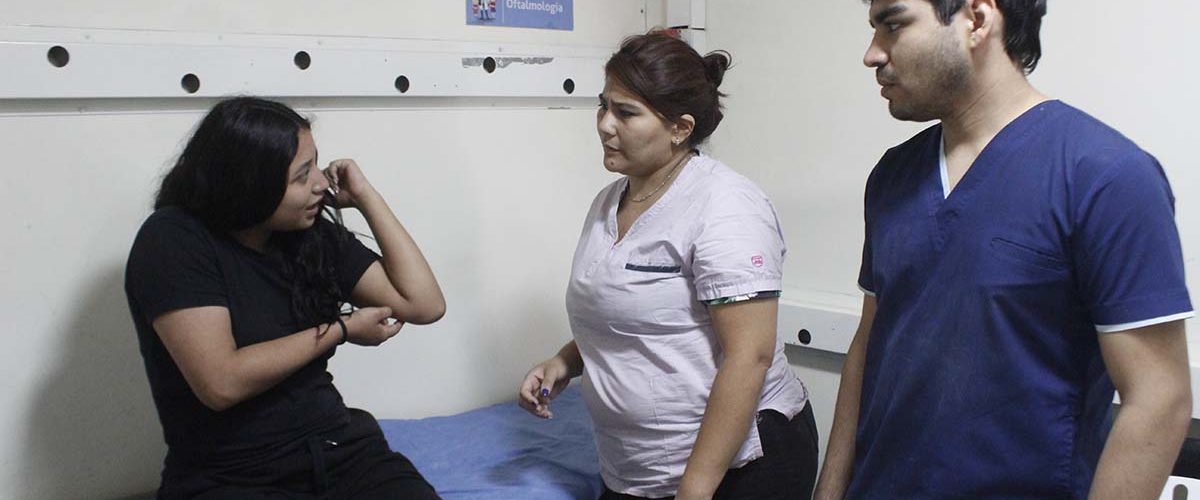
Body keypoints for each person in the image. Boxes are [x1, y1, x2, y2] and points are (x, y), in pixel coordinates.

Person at [814, 1, 1193, 498]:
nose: (872, 54)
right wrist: (830, 489)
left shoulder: (1105, 177)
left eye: (893, 25)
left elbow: (1159, 398)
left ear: (976, 18)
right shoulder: (894, 175)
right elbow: (870, 342)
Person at [517, 32, 817, 499]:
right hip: (637, 469)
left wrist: (695, 488)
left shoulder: (726, 206)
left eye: (626, 113)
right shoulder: (609, 201)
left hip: (737, 468)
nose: (605, 125)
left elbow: (749, 356)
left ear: (680, 128)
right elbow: (631, 317)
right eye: (603, 106)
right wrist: (564, 361)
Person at [124, 97, 446, 499]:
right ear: (250, 184)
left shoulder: (307, 233)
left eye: (316, 165)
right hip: (232, 475)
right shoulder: (174, 240)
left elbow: (424, 305)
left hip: (337, 450)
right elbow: (221, 383)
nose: (321, 184)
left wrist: (366, 197)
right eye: (302, 175)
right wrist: (339, 330)